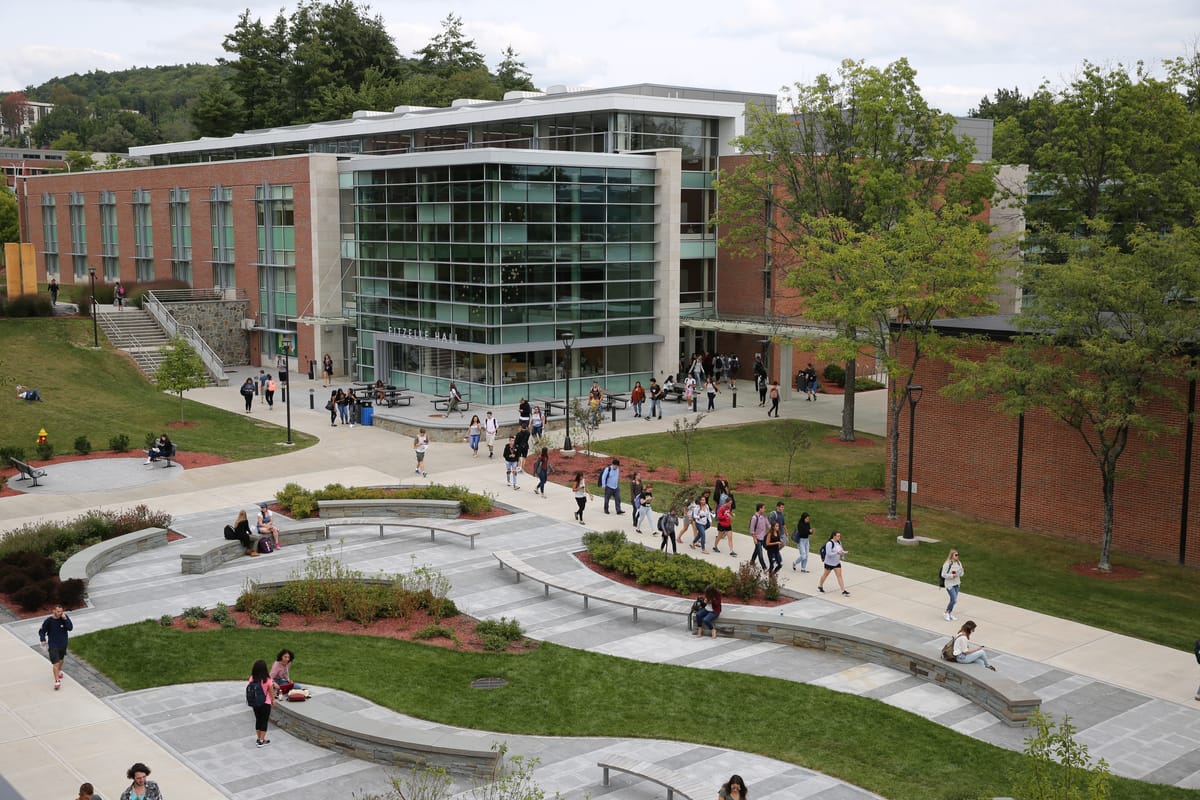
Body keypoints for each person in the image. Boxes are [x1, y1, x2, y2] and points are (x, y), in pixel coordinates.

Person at [38, 604, 73, 690]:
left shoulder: (64, 618)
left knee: (61, 660)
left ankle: (59, 671)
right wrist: (43, 640)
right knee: (55, 663)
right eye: (58, 611)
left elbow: (70, 628)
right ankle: (57, 681)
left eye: (61, 611)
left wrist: (65, 619)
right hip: (53, 644)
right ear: (53, 611)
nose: (60, 613)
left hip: (63, 643)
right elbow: (42, 631)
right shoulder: (49, 621)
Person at [248, 658, 276, 746]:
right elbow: (271, 692)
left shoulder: (252, 678)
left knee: (258, 720)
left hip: (255, 703)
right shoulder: (267, 680)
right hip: (265, 703)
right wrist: (273, 700)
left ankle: (259, 738)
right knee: (264, 721)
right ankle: (261, 740)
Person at [817, 530, 850, 596]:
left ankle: (843, 590)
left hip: (837, 563)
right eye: (838, 536)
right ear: (834, 536)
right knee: (825, 575)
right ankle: (820, 586)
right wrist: (836, 553)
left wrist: (844, 553)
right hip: (829, 563)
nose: (839, 537)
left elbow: (841, 550)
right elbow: (829, 554)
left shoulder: (839, 542)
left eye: (839, 536)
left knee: (839, 576)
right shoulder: (829, 543)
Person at [941, 549, 964, 621]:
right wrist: (952, 575)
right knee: (954, 600)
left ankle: (949, 613)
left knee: (952, 600)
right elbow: (943, 574)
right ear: (952, 555)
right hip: (949, 584)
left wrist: (960, 573)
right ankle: (946, 612)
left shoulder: (958, 563)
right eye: (956, 555)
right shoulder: (947, 564)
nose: (957, 556)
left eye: (958, 555)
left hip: (957, 583)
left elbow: (962, 573)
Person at [748, 503, 768, 570]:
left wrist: (775, 529)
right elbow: (752, 529)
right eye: (764, 508)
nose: (765, 509)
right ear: (760, 509)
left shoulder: (764, 516)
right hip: (757, 538)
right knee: (760, 554)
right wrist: (754, 539)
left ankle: (752, 561)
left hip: (763, 538)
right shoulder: (754, 518)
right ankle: (765, 568)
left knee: (756, 550)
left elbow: (768, 525)